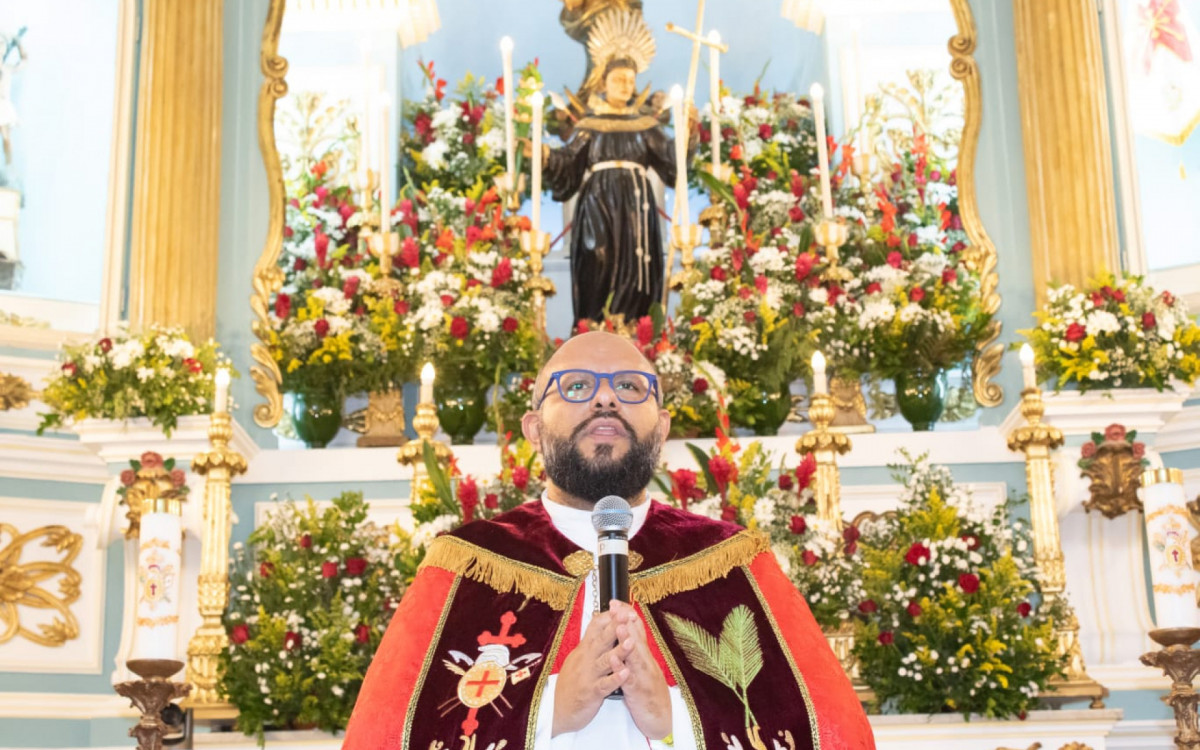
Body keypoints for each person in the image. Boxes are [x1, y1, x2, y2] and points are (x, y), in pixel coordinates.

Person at [342, 331, 875, 749]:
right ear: (532, 427)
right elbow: (386, 735)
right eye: (576, 386)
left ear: (662, 426)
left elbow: (832, 734)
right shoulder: (468, 563)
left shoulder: (732, 565)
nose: (604, 400)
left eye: (629, 387)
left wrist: (673, 718)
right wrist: (550, 707)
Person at [529, 56, 695, 328]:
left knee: (636, 265)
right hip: (598, 205)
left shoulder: (645, 126)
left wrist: (688, 134)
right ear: (603, 82)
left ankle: (635, 330)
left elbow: (672, 161)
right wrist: (545, 155)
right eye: (618, 79)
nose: (625, 85)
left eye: (630, 80)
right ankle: (595, 326)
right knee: (597, 259)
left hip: (636, 209)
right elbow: (569, 162)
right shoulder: (590, 126)